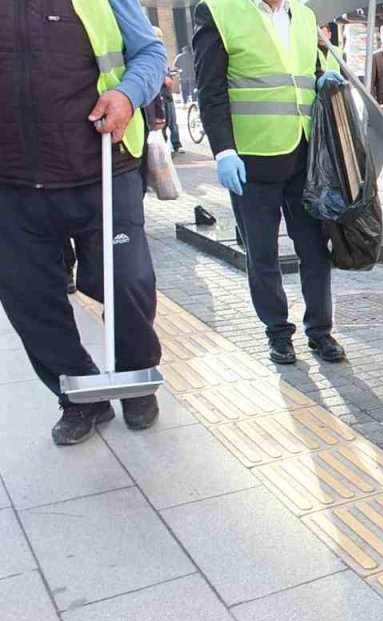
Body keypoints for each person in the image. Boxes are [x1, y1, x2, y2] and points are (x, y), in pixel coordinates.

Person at [0, 0, 167, 444]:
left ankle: (136, 377)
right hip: (12, 181)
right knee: (27, 298)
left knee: (127, 280)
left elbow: (151, 53)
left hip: (102, 167)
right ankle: (80, 397)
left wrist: (128, 94)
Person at [194, 0, 348, 365]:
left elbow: (309, 67)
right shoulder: (217, 11)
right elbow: (210, 89)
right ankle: (278, 333)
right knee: (262, 255)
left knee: (315, 250)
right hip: (250, 160)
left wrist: (324, 74)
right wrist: (223, 151)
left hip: (304, 155)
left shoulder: (304, 14)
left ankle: (320, 331)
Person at [155, 27, 184, 155]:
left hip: (166, 95)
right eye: (159, 37)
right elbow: (161, 76)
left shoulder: (160, 54)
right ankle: (164, 149)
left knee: (172, 122)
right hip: (159, 95)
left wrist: (169, 73)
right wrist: (166, 77)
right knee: (164, 123)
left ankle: (175, 145)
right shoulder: (153, 54)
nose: (161, 40)